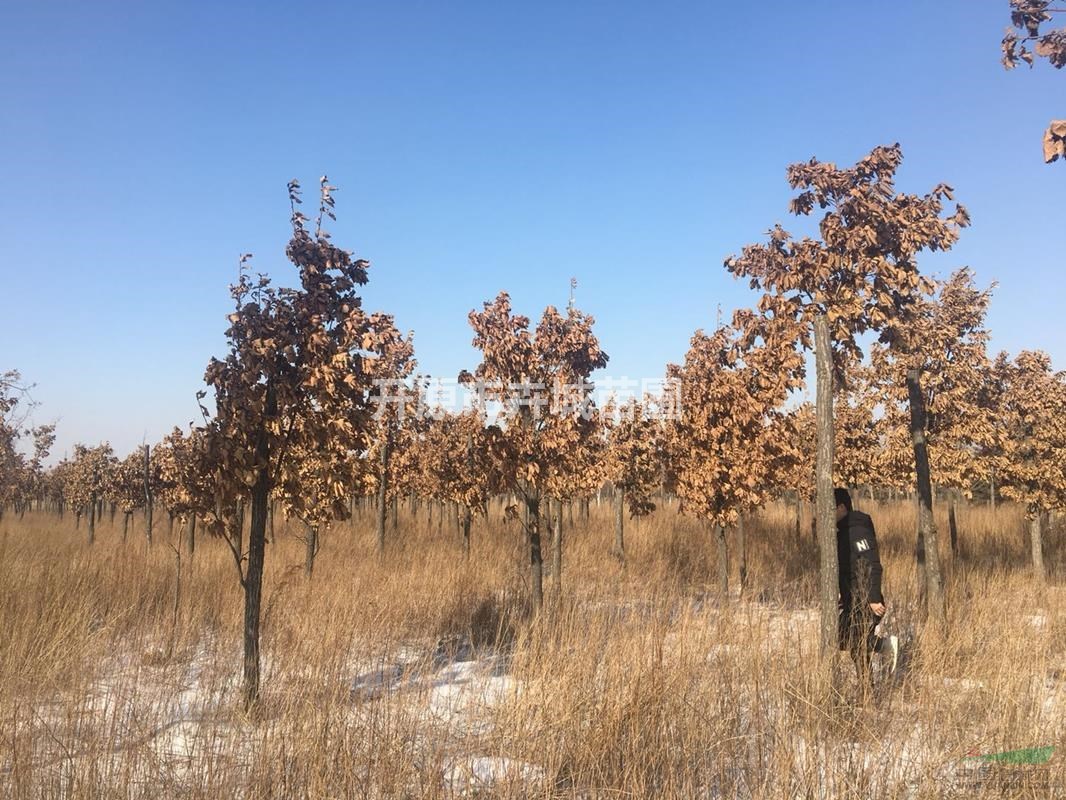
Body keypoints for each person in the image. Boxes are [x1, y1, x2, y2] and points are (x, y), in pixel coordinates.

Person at [835, 487, 896, 685]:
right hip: (852, 601)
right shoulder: (843, 532)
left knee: (858, 645)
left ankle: (867, 690)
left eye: (829, 509)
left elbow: (873, 565)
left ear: (841, 507)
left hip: (866, 601)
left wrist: (874, 598)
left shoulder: (857, 531)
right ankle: (882, 649)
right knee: (841, 639)